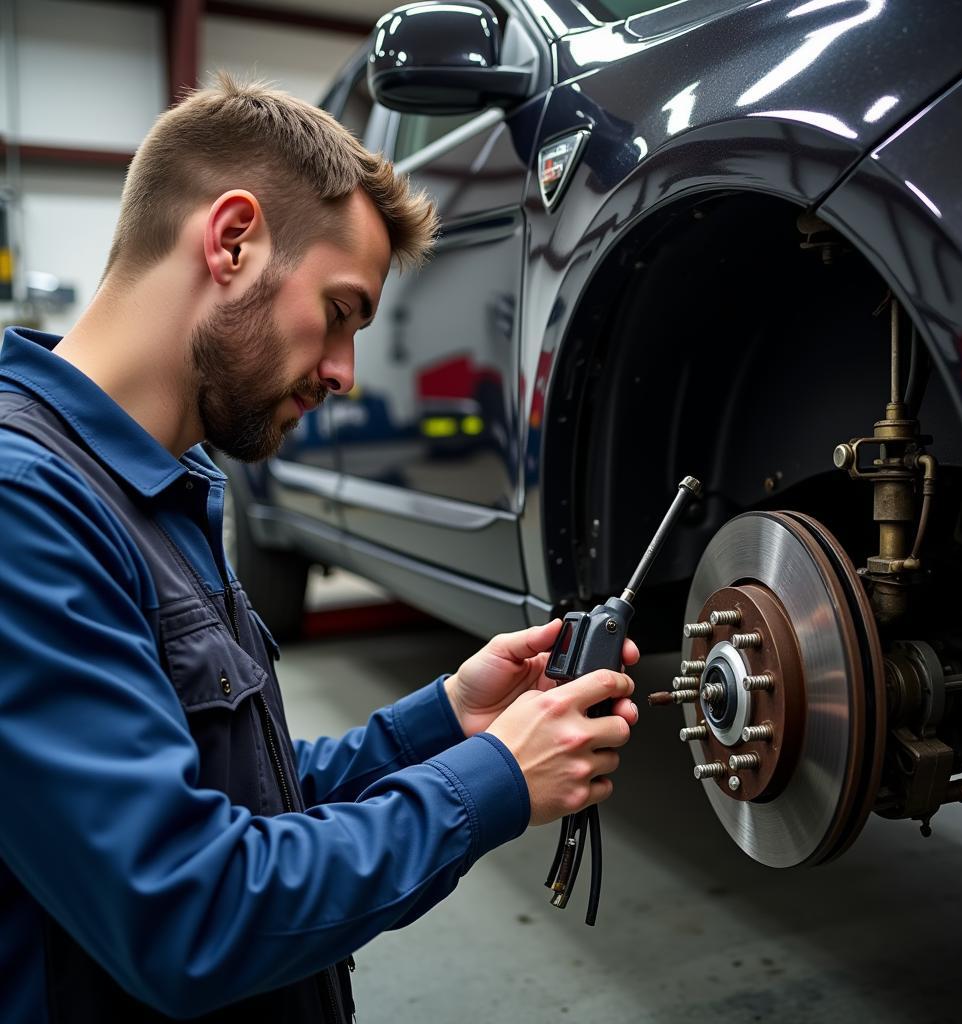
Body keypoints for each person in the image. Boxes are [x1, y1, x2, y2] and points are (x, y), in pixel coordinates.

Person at [0, 75, 639, 1023]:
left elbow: (240, 797)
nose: (344, 373)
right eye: (340, 312)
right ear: (232, 241)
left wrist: (445, 723)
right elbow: (189, 909)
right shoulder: (27, 508)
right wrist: (498, 780)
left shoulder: (158, 491)